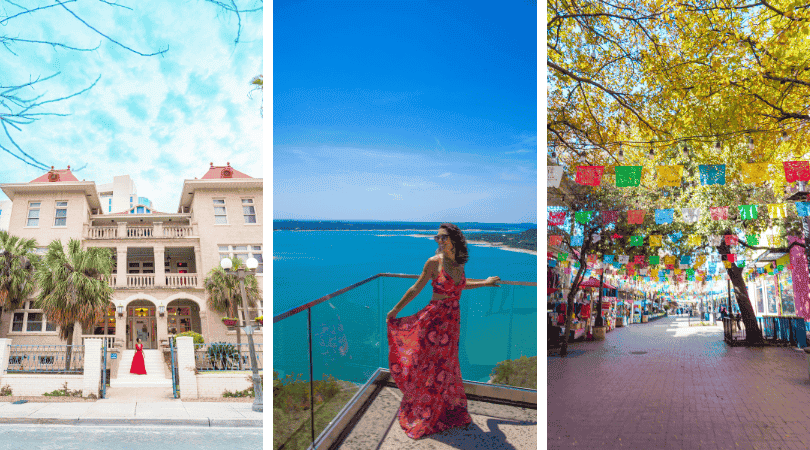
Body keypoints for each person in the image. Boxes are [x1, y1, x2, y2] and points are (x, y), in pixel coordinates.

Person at [386, 223, 500, 439]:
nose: (439, 241)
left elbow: (460, 286)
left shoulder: (458, 263)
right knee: (427, 364)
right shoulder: (433, 262)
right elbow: (415, 288)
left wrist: (485, 282)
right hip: (434, 321)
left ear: (454, 239)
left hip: (452, 322)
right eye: (436, 238)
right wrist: (395, 310)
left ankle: (441, 408)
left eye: (443, 237)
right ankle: (426, 410)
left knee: (446, 366)